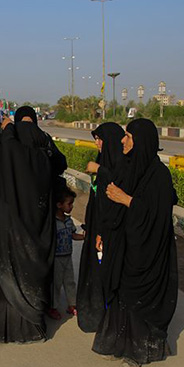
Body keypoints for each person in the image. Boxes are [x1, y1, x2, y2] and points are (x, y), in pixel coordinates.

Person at [91, 118, 178, 367]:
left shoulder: (158, 175)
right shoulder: (126, 167)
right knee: (120, 292)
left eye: (127, 136)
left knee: (140, 297)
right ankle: (120, 343)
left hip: (146, 250)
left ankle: (141, 350)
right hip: (122, 244)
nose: (122, 140)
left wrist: (128, 200)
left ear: (140, 141)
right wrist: (103, 233)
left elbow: (158, 216)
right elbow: (112, 207)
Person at [0, 106, 67, 344]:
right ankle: (34, 326)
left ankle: (4, 330)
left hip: (9, 227)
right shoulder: (44, 157)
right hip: (37, 226)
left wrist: (9, 127)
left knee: (7, 271)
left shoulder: (9, 155)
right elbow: (59, 164)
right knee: (34, 270)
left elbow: (9, 145)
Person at [77, 122, 127, 333]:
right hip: (97, 226)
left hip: (110, 228)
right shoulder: (104, 160)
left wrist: (101, 170)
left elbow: (119, 187)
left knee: (108, 270)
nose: (97, 143)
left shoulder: (120, 163)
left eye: (100, 139)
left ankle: (109, 317)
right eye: (95, 139)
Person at [48, 187, 85, 320]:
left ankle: (72, 305)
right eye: (69, 203)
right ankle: (53, 307)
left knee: (69, 282)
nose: (72, 206)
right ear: (59, 205)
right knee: (56, 284)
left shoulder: (69, 221)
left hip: (67, 257)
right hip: (56, 258)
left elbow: (73, 235)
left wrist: (84, 237)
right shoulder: (52, 222)